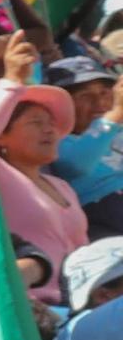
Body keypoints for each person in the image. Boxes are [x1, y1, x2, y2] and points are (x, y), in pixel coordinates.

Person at [0, 71, 89, 304]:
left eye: (51, 124)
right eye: (36, 122)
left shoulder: (62, 186)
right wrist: (12, 81)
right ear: (1, 136)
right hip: (28, 307)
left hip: (77, 307)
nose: (49, 130)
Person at [47, 52, 123, 237]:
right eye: (85, 96)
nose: (99, 103)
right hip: (101, 210)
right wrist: (116, 114)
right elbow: (76, 166)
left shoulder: (115, 127)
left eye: (105, 93)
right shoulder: (56, 139)